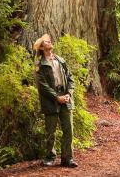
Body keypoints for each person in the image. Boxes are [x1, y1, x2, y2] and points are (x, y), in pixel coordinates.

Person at [33, 34, 79, 168]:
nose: (50, 42)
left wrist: (69, 94)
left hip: (66, 98)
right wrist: (56, 97)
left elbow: (70, 78)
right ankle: (50, 157)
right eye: (47, 42)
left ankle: (67, 159)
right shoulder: (39, 64)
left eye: (49, 41)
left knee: (68, 130)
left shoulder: (60, 60)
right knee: (50, 132)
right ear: (42, 47)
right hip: (51, 100)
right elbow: (42, 86)